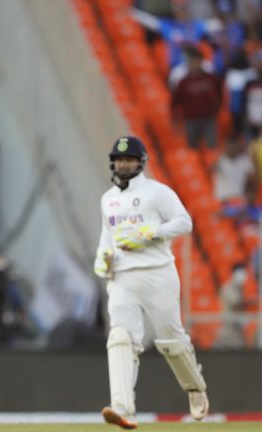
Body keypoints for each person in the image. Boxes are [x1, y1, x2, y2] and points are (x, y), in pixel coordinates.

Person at [93, 136, 209, 429]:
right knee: (121, 337)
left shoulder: (157, 192)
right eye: (119, 160)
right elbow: (107, 238)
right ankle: (123, 407)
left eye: (129, 159)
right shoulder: (108, 199)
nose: (124, 164)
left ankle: (195, 389)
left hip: (158, 273)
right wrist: (102, 258)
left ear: (140, 162)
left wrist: (151, 232)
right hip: (122, 277)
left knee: (171, 339)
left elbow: (184, 222)